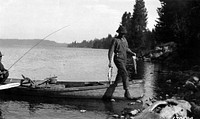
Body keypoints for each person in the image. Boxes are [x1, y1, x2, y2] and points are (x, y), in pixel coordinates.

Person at [103, 25, 136, 100]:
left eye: (124, 33)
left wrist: (132, 52)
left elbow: (126, 48)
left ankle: (114, 86)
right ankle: (126, 91)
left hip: (124, 59)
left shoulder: (124, 40)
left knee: (120, 74)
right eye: (122, 33)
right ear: (119, 33)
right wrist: (110, 61)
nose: (123, 34)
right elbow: (111, 51)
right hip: (118, 59)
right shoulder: (115, 40)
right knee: (124, 72)